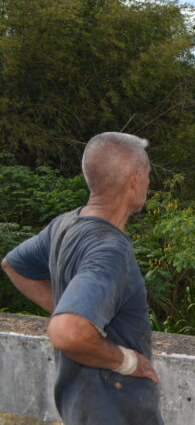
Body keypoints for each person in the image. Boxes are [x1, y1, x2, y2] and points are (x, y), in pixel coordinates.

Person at [1, 132, 164, 424]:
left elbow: (13, 264)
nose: (149, 185)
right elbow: (67, 332)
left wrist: (70, 308)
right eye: (148, 176)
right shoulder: (110, 250)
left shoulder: (64, 225)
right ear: (135, 181)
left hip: (80, 408)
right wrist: (127, 362)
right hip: (114, 412)